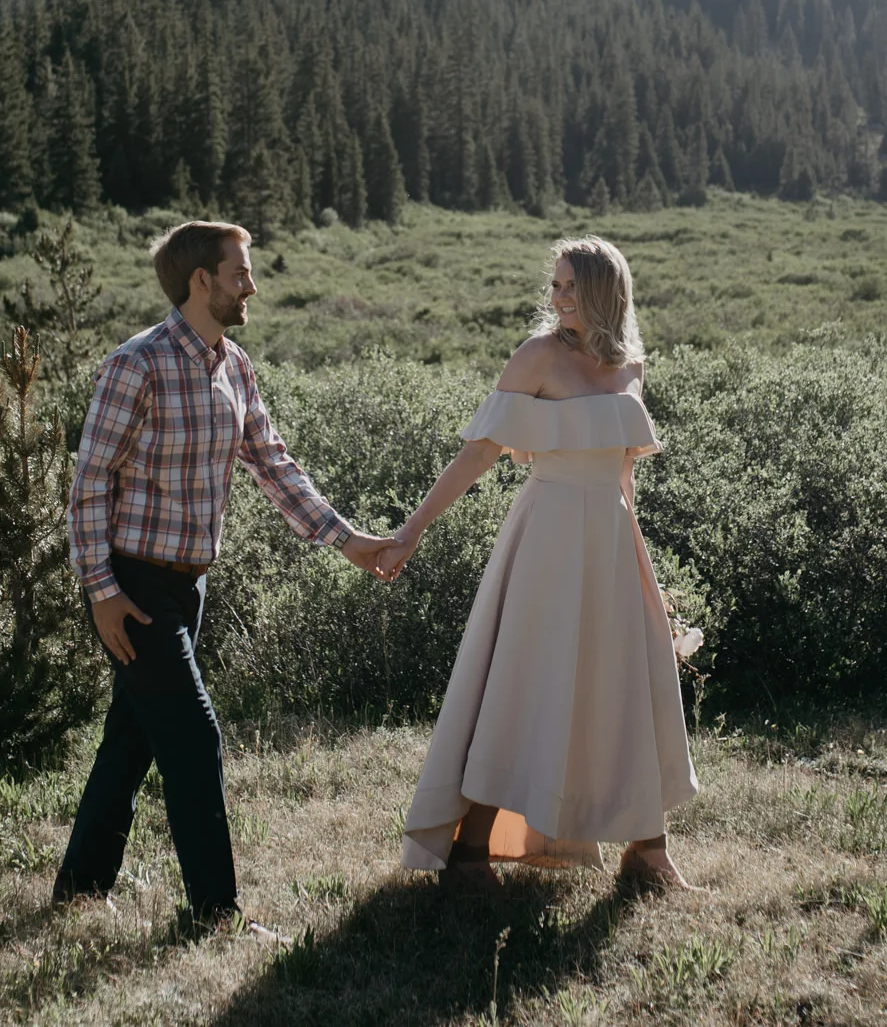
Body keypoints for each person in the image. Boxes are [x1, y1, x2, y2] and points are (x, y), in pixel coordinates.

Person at [52, 220, 398, 929]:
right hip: (136, 584)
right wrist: (102, 592)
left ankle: (80, 886)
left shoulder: (233, 364)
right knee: (195, 736)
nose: (252, 284)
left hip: (190, 584)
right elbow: (88, 483)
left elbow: (273, 464)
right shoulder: (136, 365)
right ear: (200, 281)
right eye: (239, 272)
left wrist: (350, 541)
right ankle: (214, 911)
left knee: (134, 736)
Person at [377, 236, 700, 890]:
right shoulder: (536, 357)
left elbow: (623, 472)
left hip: (611, 537)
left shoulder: (632, 364)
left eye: (569, 288)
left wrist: (646, 571)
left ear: (605, 293)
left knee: (630, 683)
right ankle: (469, 851)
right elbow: (478, 453)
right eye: (553, 285)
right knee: (524, 682)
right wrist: (412, 527)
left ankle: (649, 851)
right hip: (547, 538)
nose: (555, 298)